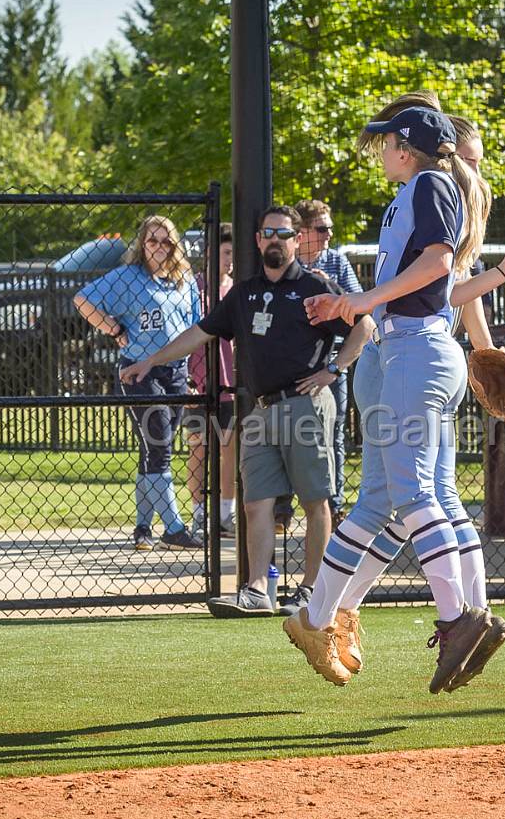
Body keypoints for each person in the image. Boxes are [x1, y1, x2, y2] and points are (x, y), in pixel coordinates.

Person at [298, 99, 505, 691]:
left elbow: (436, 266)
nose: (380, 152)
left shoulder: (428, 184)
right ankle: (464, 612)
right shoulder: (421, 190)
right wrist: (347, 303)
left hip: (412, 354)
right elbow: (431, 279)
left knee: (409, 495)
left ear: (404, 147)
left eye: (385, 144)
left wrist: (366, 302)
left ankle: (458, 619)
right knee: (433, 497)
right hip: (418, 350)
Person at [121, 206, 371, 618]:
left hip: (304, 406)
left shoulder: (315, 286)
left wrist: (333, 369)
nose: (275, 239)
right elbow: (199, 333)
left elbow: (364, 325)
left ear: (295, 240)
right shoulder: (243, 292)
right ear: (258, 240)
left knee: (315, 502)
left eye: (284, 234)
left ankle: (312, 592)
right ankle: (257, 591)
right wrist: (150, 361)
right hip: (257, 410)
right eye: (268, 232)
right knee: (255, 503)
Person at [75, 215, 201, 552]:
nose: (159, 247)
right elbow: (82, 300)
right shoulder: (128, 277)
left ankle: (143, 527)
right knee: (159, 445)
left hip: (175, 372)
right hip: (139, 372)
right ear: (141, 244)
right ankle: (174, 527)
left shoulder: (184, 280)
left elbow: (194, 327)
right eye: (152, 240)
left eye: (166, 241)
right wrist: (114, 328)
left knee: (154, 449)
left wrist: (189, 375)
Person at [294, 199, 364, 521]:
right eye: (321, 229)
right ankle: (283, 506)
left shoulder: (336, 262)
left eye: (330, 228)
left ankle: (333, 504)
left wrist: (330, 288)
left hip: (332, 360)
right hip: (294, 360)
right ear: (302, 231)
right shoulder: (287, 264)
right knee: (284, 432)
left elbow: (361, 311)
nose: (328, 235)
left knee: (333, 433)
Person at [184, 222, 237, 538]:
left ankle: (225, 515)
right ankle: (199, 515)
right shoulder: (193, 288)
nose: (231, 259)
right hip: (199, 383)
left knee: (229, 448)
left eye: (234, 252)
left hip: (230, 383)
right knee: (198, 449)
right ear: (209, 253)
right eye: (226, 252)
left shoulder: (239, 288)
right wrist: (187, 378)